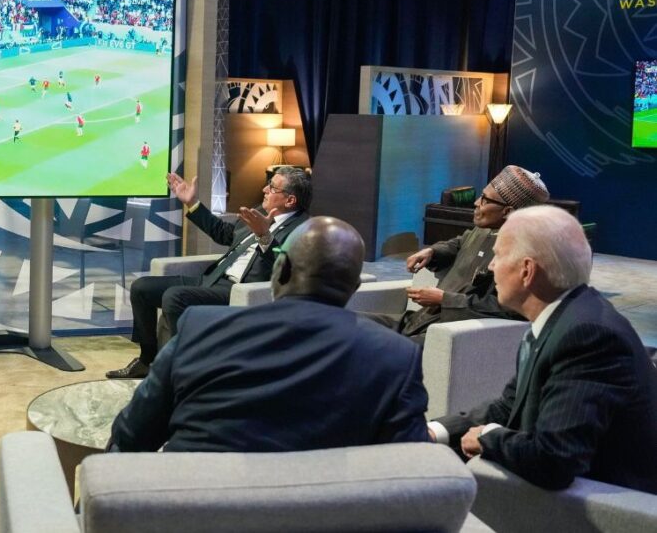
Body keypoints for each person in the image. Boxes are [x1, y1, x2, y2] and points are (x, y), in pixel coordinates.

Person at [111, 217, 428, 452]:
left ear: (281, 269)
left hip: (196, 506)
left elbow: (130, 437)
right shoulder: (397, 356)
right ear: (355, 287)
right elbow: (408, 466)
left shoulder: (200, 328)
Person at [428, 206, 657, 494]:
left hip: (608, 505)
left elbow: (555, 460)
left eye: (498, 256)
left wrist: (488, 437)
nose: (491, 267)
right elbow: (508, 406)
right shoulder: (564, 316)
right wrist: (436, 430)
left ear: (527, 270)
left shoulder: (587, 336)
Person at [108, 166, 311, 379]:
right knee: (142, 288)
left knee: (175, 297)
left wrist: (264, 235)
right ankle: (147, 360)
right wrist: (192, 203)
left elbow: (286, 266)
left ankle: (180, 370)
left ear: (290, 200)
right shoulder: (258, 211)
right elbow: (224, 233)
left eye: (272, 187)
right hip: (213, 278)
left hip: (238, 291)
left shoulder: (303, 229)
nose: (264, 190)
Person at [364, 165, 550, 342]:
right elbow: (459, 243)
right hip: (418, 321)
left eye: (485, 200)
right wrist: (432, 251)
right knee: (350, 323)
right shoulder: (484, 229)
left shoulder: (526, 255)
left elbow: (510, 310)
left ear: (507, 211)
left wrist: (444, 299)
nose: (476, 203)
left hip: (449, 333)